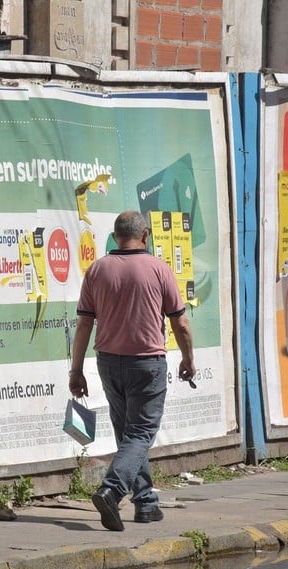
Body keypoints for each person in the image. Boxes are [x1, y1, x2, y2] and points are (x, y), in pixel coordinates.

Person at [69, 210, 196, 531]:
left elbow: (84, 324)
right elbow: (180, 323)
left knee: (129, 435)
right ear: (146, 235)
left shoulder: (97, 270)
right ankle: (112, 490)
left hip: (109, 363)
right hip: (146, 364)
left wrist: (76, 370)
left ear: (115, 237)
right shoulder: (159, 269)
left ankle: (146, 504)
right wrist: (188, 358)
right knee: (140, 434)